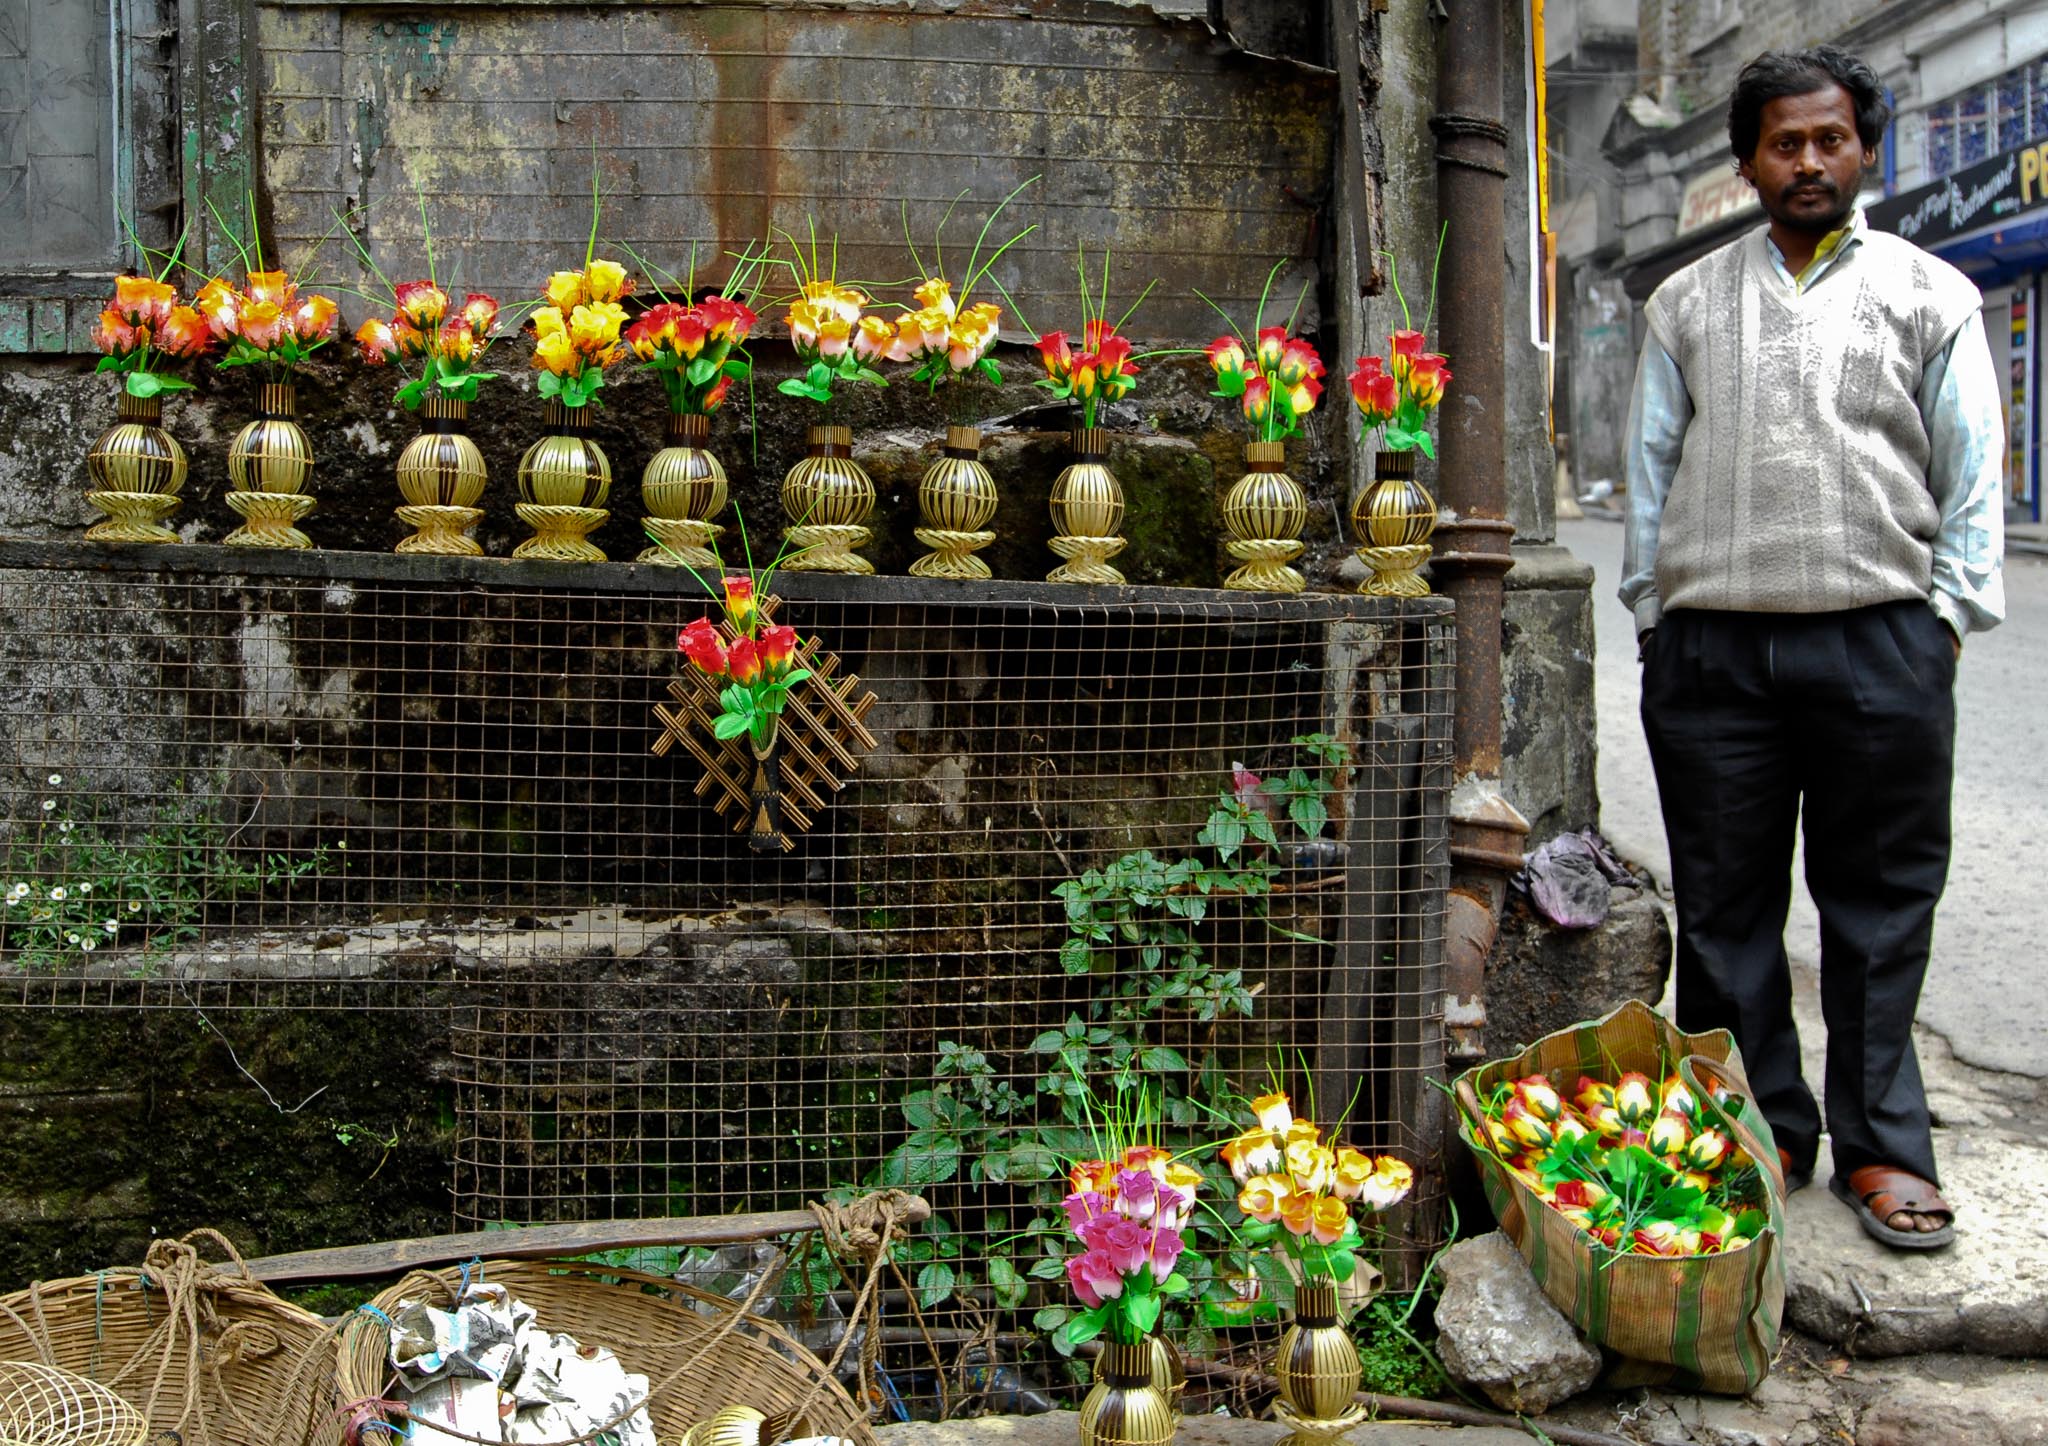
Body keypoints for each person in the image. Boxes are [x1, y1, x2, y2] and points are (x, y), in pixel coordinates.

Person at [1619, 45, 2004, 1251]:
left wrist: (1941, 620)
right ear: (1745, 161)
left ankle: (1884, 1147)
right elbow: (1648, 472)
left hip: (1881, 640)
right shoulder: (1684, 300)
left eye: (1827, 138)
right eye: (1781, 142)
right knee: (1726, 914)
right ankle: (1758, 1132)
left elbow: (1971, 471)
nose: (1805, 161)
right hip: (1713, 654)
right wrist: (1653, 613)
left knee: (1879, 907)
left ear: (1863, 149)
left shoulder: (1928, 291)